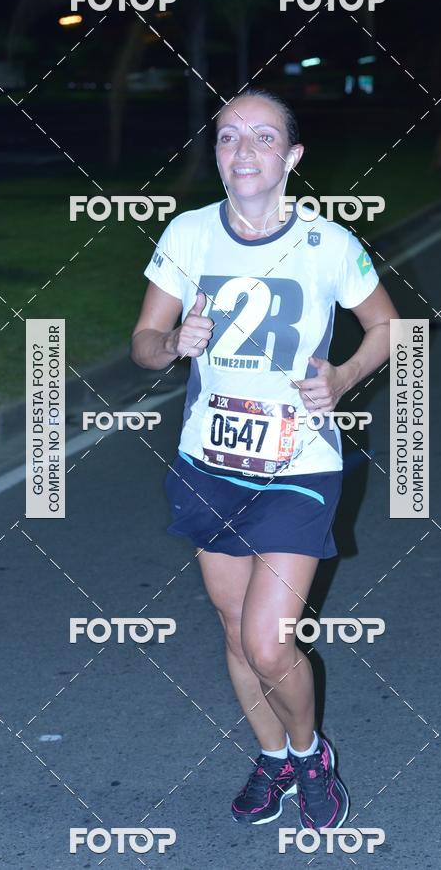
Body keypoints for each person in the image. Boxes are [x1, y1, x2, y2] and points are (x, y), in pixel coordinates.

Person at [131, 89, 398, 831]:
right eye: (227, 138)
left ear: (292, 157)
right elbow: (143, 343)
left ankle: (312, 755)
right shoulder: (188, 234)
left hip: (300, 466)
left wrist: (343, 377)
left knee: (267, 638)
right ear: (215, 153)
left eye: (262, 138)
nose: (243, 151)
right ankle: (273, 757)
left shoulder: (328, 244)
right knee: (232, 628)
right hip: (208, 464)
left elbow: (389, 328)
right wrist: (170, 346)